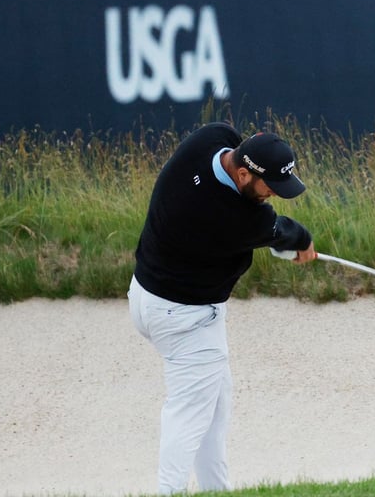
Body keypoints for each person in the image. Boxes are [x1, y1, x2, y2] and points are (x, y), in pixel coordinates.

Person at [128, 124, 317, 495]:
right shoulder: (236, 217)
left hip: (149, 297)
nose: (272, 196)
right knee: (188, 416)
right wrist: (302, 243)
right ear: (243, 174)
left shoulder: (210, 138)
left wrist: (281, 240)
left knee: (214, 406)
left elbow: (269, 232)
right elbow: (282, 231)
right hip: (185, 319)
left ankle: (216, 489)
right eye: (269, 188)